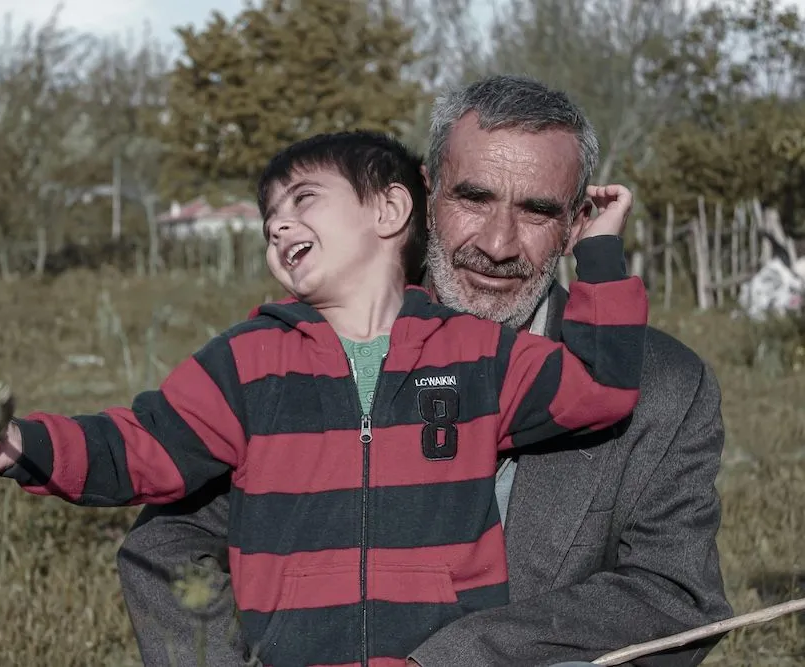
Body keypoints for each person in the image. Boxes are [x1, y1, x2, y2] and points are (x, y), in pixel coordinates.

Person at [0, 129, 647, 667]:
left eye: (303, 201)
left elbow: (600, 387)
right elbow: (143, 446)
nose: (278, 225)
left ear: (390, 209)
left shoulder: (475, 355)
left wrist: (599, 253)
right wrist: (26, 445)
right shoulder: (248, 362)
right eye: (269, 217)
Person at [116, 76, 733, 667]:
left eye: (538, 212)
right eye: (474, 197)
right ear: (426, 194)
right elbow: (167, 546)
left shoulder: (663, 386)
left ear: (575, 226)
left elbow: (673, 593)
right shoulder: (303, 354)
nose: (497, 243)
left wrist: (458, 660)